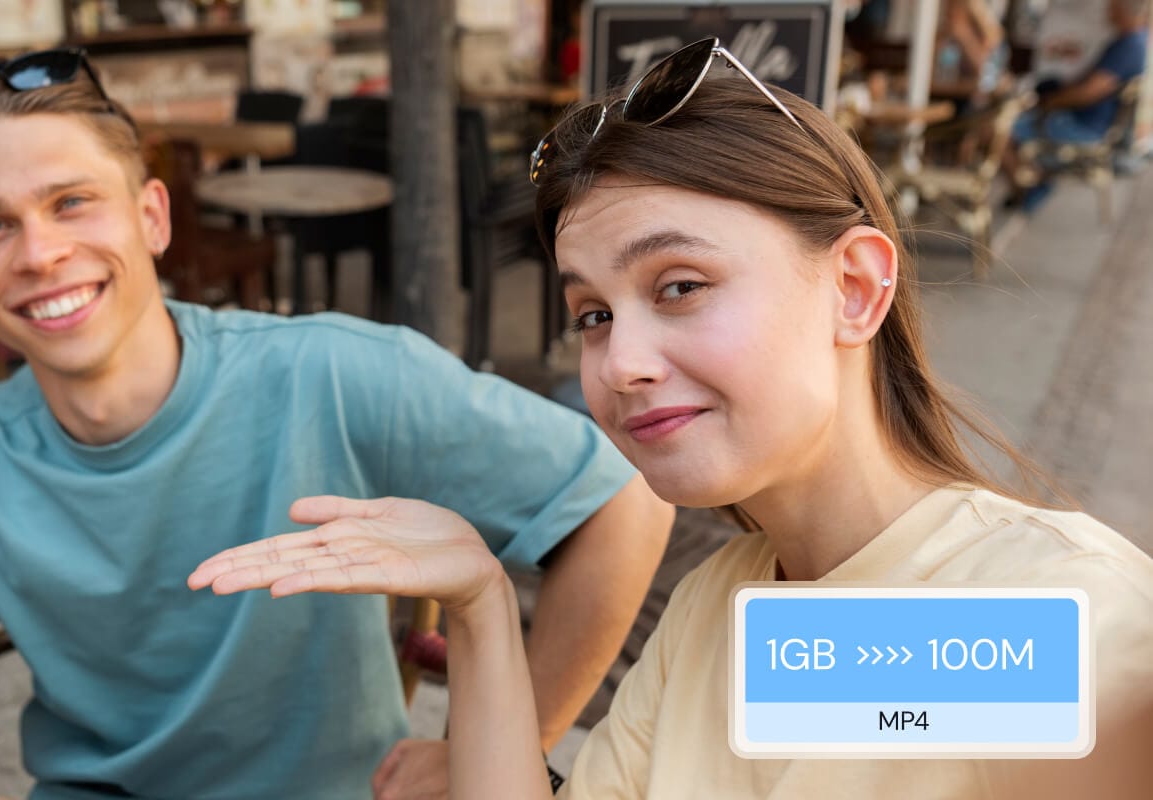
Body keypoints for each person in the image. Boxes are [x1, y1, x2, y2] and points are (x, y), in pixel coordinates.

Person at [0, 50, 676, 800]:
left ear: (151, 217)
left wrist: (495, 751)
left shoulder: (337, 374)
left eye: (71, 203)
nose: (40, 253)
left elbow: (621, 500)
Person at [191, 38, 1153, 799]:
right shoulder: (716, 606)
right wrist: (481, 606)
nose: (622, 363)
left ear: (855, 289)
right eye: (593, 315)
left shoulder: (1053, 616)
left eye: (681, 285)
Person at [1006, 0, 1148, 211]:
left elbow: (1089, 91)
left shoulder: (1129, 45)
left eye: (1113, 6)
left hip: (1084, 124)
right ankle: (1033, 178)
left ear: (1124, 10)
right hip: (1086, 118)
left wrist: (1047, 102)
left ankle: (1029, 186)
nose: (1107, 10)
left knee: (1002, 128)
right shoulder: (1131, 40)